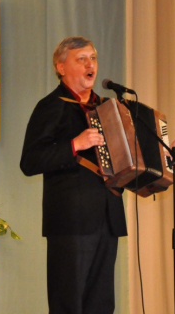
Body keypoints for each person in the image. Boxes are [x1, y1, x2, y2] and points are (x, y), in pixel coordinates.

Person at [20, 36, 127, 314]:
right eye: (81, 59)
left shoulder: (107, 107)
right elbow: (30, 161)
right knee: (69, 304)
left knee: (102, 305)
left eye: (93, 58)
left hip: (108, 216)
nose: (90, 64)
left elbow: (127, 156)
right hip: (70, 221)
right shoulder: (51, 106)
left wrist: (157, 156)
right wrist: (74, 144)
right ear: (61, 67)